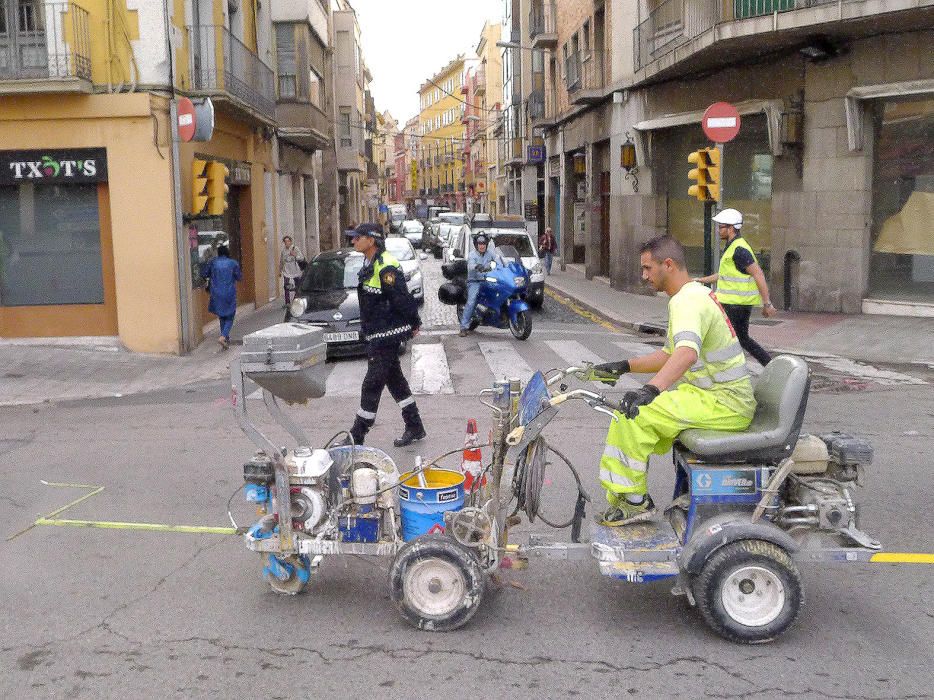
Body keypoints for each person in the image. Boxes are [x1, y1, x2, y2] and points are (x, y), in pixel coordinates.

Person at [589, 235, 756, 526]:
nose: (644, 276)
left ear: (668, 264)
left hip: (724, 402)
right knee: (633, 414)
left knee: (632, 417)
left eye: (647, 268)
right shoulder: (692, 296)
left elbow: (687, 354)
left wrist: (651, 389)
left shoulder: (687, 301)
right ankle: (630, 498)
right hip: (715, 398)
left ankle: (633, 503)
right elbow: (671, 354)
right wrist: (624, 366)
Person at [346, 223, 426, 447]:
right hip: (376, 332)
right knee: (396, 381)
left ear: (371, 240)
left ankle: (357, 435)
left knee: (372, 384)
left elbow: (401, 297)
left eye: (357, 237)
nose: (353, 241)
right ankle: (415, 425)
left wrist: (414, 321)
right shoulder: (369, 261)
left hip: (386, 333)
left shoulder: (386, 265)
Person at [694, 208, 775, 367]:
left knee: (737, 338)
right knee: (735, 338)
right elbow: (723, 274)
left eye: (721, 227)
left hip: (737, 305)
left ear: (731, 228)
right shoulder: (732, 247)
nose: (718, 230)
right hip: (730, 303)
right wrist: (699, 280)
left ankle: (769, 365)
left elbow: (758, 274)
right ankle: (731, 366)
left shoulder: (739, 249)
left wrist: (767, 303)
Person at [460, 233, 504, 337]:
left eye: (484, 243)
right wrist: (476, 266)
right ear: (476, 244)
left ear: (487, 244)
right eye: (479, 243)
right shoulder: (472, 255)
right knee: (471, 301)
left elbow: (498, 260)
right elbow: (470, 266)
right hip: (474, 281)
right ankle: (463, 327)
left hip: (488, 280)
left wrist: (504, 265)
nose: (482, 245)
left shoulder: (490, 253)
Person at [200, 245, 241, 350]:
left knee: (222, 315)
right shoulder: (233, 263)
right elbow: (239, 277)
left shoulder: (213, 262)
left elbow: (204, 273)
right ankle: (223, 336)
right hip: (229, 292)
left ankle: (225, 339)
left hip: (216, 292)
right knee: (230, 316)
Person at [279, 236, 305, 307]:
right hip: (286, 271)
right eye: (285, 242)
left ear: (290, 242)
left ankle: (296, 300)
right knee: (286, 286)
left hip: (295, 270)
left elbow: (301, 257)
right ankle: (287, 302)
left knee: (298, 285)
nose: (286, 243)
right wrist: (280, 270)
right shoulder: (283, 251)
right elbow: (281, 261)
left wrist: (295, 255)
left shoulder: (295, 249)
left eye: (288, 241)